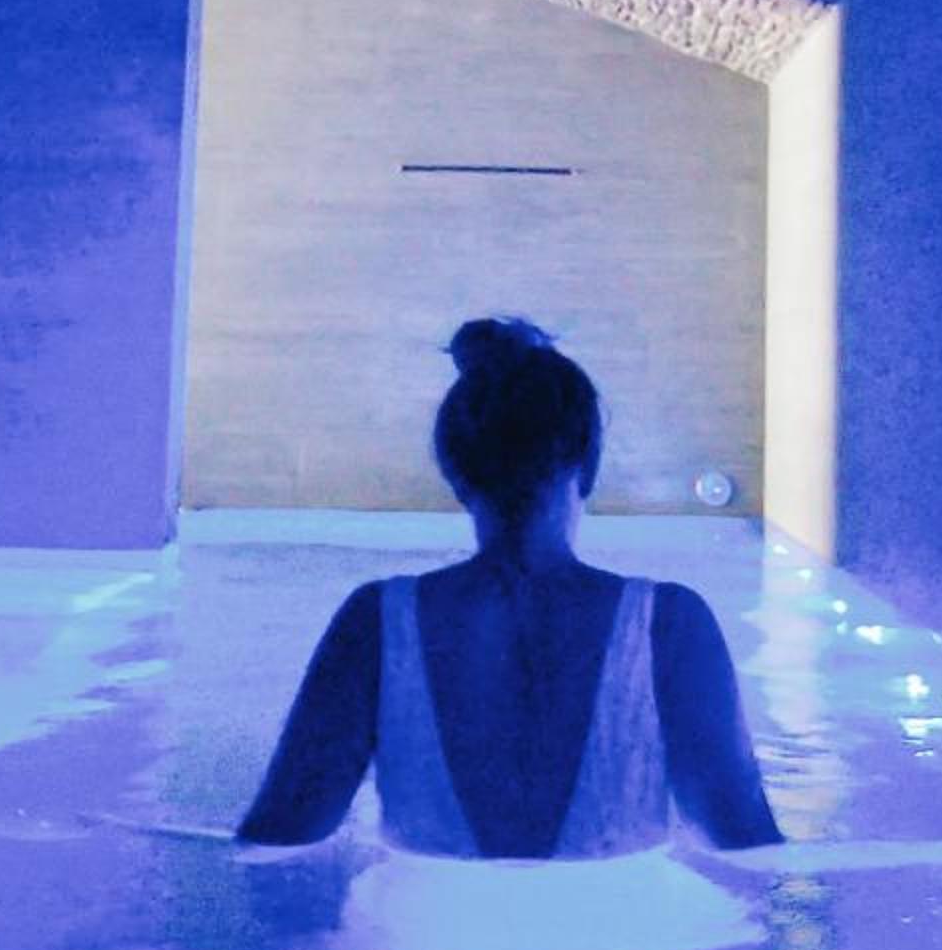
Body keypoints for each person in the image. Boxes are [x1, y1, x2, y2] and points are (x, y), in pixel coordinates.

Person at [236, 316, 785, 858]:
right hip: (623, 917)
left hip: (413, 920)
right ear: (589, 466)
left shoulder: (375, 622)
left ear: (455, 474)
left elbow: (280, 835)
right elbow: (746, 844)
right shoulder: (671, 625)